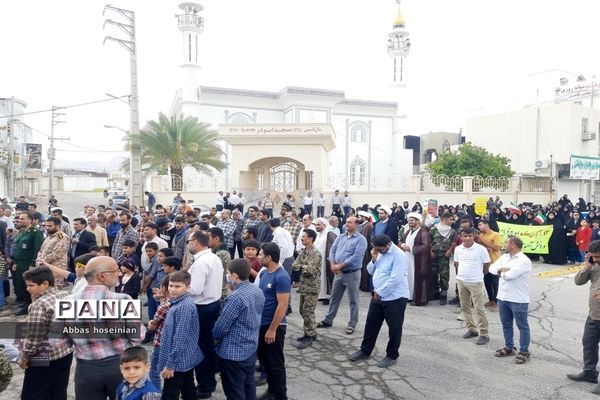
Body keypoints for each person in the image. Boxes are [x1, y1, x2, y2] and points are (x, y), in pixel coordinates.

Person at [69, 256, 142, 400]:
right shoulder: (123, 299)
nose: (119, 274)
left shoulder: (67, 302)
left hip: (86, 369)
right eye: (115, 271)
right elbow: (138, 336)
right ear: (102, 276)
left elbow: (61, 341)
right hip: (120, 365)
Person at [348, 234, 409, 368]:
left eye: (380, 249)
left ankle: (392, 355)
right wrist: (374, 259)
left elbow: (395, 278)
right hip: (378, 295)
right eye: (375, 249)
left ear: (388, 245)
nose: (378, 251)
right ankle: (365, 350)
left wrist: (380, 292)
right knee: (371, 324)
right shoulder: (379, 252)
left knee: (394, 328)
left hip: (395, 297)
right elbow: (370, 271)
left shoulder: (399, 255)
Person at [213, 259, 265, 400]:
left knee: (234, 391)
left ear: (235, 276)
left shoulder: (236, 297)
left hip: (233, 353)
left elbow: (221, 328)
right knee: (248, 386)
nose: (228, 276)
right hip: (250, 347)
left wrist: (213, 337)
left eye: (228, 273)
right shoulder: (256, 289)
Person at [19, 266, 73, 400]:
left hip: (43, 356)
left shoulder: (40, 305)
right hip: (66, 352)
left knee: (33, 394)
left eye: (31, 285)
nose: (27, 289)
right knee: (58, 391)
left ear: (45, 284)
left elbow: (33, 337)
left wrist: (25, 357)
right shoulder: (64, 294)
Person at [187, 231, 223, 399]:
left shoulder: (202, 262)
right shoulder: (213, 258)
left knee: (201, 349)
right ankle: (209, 382)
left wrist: (176, 288)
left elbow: (195, 289)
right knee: (207, 346)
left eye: (189, 241)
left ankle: (204, 386)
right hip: (211, 304)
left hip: (202, 308)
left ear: (195, 242)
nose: (187, 245)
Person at [317, 217, 367, 335]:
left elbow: (356, 256)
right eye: (346, 222)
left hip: (352, 273)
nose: (346, 224)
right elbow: (332, 250)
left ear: (356, 225)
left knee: (353, 300)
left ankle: (352, 324)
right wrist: (333, 264)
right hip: (338, 273)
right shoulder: (340, 236)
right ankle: (328, 320)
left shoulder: (361, 240)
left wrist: (339, 266)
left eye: (349, 222)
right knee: (334, 298)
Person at [159, 271, 204, 400]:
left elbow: (180, 338)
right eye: (171, 286)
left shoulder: (183, 307)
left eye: (177, 286)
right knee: (188, 388)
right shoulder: (179, 302)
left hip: (178, 360)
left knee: (169, 393)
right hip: (185, 357)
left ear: (188, 287)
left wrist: (170, 365)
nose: (172, 290)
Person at [489, 235, 532, 364]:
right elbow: (491, 268)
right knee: (506, 324)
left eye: (506, 242)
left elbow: (510, 276)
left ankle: (524, 351)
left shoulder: (523, 260)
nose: (504, 244)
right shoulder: (504, 257)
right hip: (503, 297)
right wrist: (502, 270)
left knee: (522, 326)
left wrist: (501, 272)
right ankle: (509, 347)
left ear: (513, 245)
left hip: (518, 299)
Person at [257, 242, 291, 400]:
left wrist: (272, 329)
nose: (258, 256)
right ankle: (271, 390)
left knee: (275, 363)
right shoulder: (264, 273)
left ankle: (279, 395)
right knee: (265, 361)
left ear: (268, 257)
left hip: (274, 327)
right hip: (261, 324)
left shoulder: (281, 276)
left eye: (261, 254)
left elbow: (283, 305)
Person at [567, 240, 600, 393]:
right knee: (589, 344)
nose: (597, 259)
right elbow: (578, 282)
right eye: (593, 257)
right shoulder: (592, 264)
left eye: (598, 256)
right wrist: (586, 267)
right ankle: (589, 373)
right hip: (594, 314)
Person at [454, 227, 491, 345]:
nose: (468, 238)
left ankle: (484, 334)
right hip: (461, 281)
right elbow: (456, 264)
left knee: (479, 308)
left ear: (474, 236)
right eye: (465, 236)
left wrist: (478, 275)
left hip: (475, 282)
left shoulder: (481, 249)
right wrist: (462, 275)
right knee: (465, 307)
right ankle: (472, 329)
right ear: (461, 237)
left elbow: (487, 265)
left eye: (470, 236)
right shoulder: (458, 249)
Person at [292, 229, 322, 349]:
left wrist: (303, 266)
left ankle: (308, 336)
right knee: (302, 310)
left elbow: (309, 271)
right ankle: (312, 332)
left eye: (304, 237)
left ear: (310, 238)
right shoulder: (304, 252)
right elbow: (294, 266)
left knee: (307, 311)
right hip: (304, 286)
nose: (301, 239)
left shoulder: (316, 253)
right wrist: (304, 265)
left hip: (312, 287)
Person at [13, 212, 44, 316]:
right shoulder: (21, 232)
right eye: (19, 219)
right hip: (19, 264)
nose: (20, 220)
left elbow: (38, 249)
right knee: (21, 285)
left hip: (28, 264)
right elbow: (18, 249)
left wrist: (33, 264)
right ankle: (25, 303)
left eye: (22, 219)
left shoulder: (35, 232)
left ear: (30, 220)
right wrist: (15, 262)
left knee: (29, 286)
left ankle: (29, 306)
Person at [400, 212, 431, 306]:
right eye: (409, 220)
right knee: (408, 276)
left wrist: (411, 249)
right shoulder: (408, 231)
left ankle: (418, 298)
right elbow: (401, 240)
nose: (410, 222)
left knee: (417, 278)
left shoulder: (423, 232)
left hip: (418, 259)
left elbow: (425, 246)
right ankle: (409, 296)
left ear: (417, 221)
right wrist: (402, 245)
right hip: (407, 258)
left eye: (412, 220)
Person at [429, 212, 456, 305]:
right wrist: (430, 251)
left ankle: (443, 294)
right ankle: (435, 292)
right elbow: (428, 241)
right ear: (445, 219)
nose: (453, 221)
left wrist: (450, 250)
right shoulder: (434, 229)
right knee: (433, 273)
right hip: (434, 255)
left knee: (444, 274)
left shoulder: (452, 231)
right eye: (451, 219)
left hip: (444, 256)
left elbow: (453, 242)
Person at [35, 216, 70, 288]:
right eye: (46, 226)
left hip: (56, 270)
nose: (47, 228)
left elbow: (56, 254)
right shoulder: (49, 236)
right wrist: (38, 260)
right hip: (44, 268)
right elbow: (41, 250)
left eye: (50, 226)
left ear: (57, 226)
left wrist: (42, 262)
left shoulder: (62, 237)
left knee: (54, 290)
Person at [478, 220, 503, 310]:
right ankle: (491, 300)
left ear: (486, 224)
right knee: (487, 282)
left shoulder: (496, 235)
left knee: (495, 283)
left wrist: (482, 240)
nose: (479, 227)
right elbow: (482, 248)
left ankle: (496, 302)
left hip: (495, 262)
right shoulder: (481, 235)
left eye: (480, 225)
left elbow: (496, 247)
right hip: (485, 263)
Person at [315, 218, 337, 304]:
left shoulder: (329, 234)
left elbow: (334, 248)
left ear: (324, 225)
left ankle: (328, 297)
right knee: (320, 278)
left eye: (319, 225)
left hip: (326, 261)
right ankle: (322, 295)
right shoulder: (319, 234)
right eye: (316, 225)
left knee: (327, 277)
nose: (317, 227)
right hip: (319, 261)